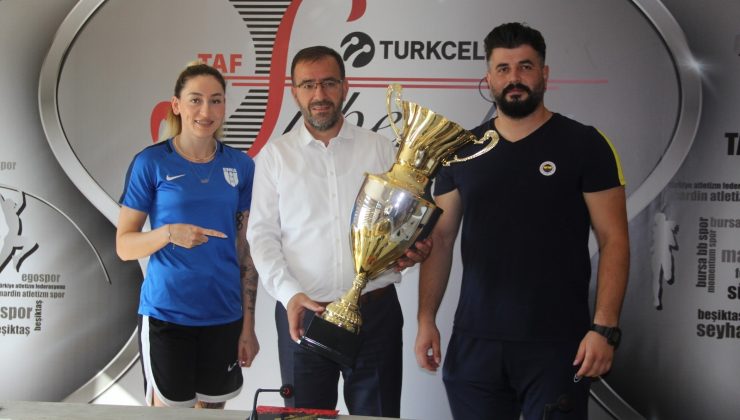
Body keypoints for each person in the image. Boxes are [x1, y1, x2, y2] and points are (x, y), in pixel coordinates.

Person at [414, 23, 629, 420]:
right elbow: (440, 240)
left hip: (557, 344)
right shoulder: (460, 151)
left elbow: (613, 238)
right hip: (476, 344)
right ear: (489, 79)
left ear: (544, 74)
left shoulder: (585, 144)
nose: (514, 78)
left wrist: (604, 329)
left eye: (525, 67)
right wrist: (426, 319)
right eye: (503, 68)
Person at [247, 46, 431, 417]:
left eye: (329, 83)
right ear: (295, 92)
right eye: (308, 85)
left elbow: (401, 227)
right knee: (305, 418)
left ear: (345, 87)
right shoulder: (275, 157)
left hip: (374, 315)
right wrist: (288, 295)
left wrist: (411, 252)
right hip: (303, 316)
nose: (319, 94)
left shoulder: (379, 149)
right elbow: (262, 237)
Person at [116, 62, 259, 409]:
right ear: (177, 105)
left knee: (212, 414)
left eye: (215, 100)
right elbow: (124, 245)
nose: (206, 111)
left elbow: (245, 252)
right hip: (167, 315)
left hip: (224, 316)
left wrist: (248, 325)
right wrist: (168, 233)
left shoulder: (241, 166)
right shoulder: (151, 162)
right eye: (195, 100)